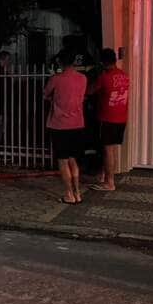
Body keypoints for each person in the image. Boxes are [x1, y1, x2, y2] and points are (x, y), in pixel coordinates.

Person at [43, 48, 87, 204]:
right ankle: (78, 192)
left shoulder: (56, 79)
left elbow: (45, 94)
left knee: (62, 160)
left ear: (60, 61)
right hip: (77, 124)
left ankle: (69, 194)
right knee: (73, 159)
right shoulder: (82, 79)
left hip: (60, 125)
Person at [88, 48, 130, 191]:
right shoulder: (124, 76)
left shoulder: (104, 77)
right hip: (121, 117)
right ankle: (103, 175)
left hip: (107, 118)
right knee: (110, 149)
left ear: (102, 62)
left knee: (108, 150)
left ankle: (109, 182)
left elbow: (90, 90)